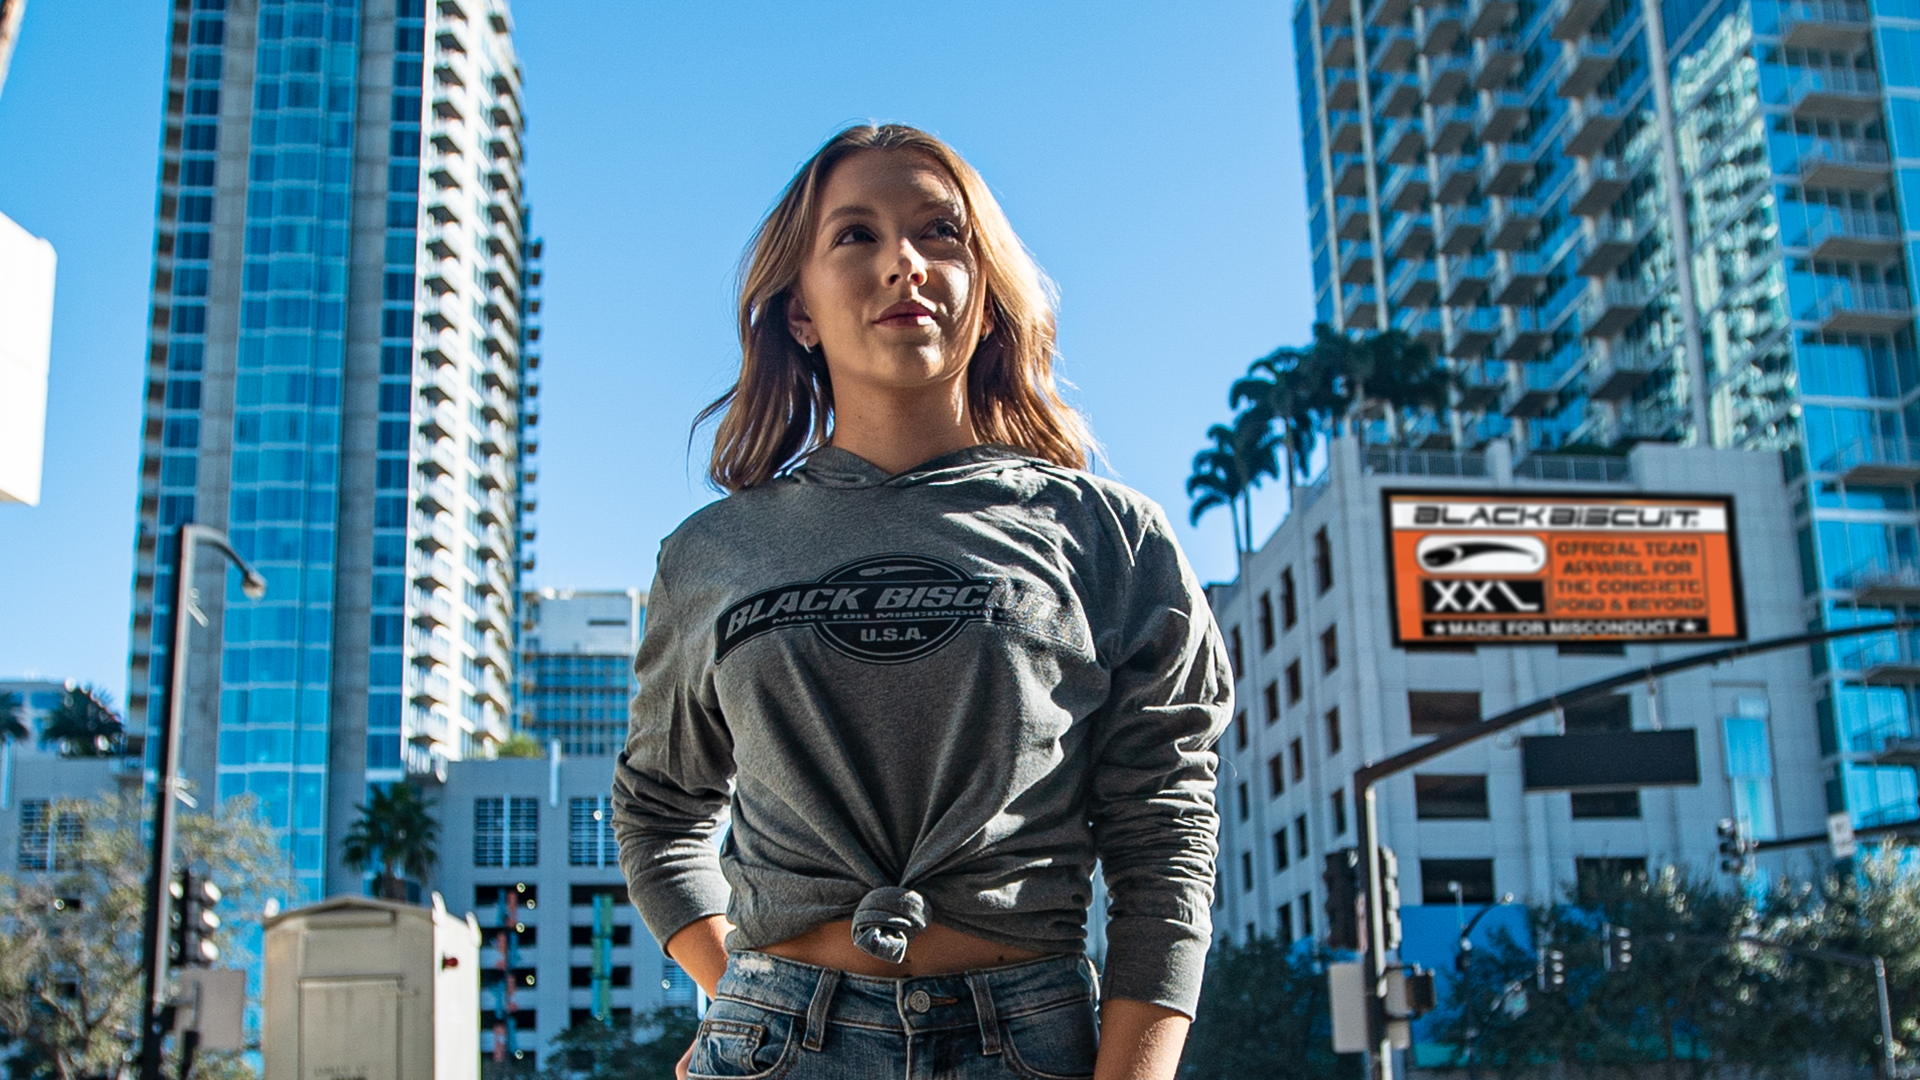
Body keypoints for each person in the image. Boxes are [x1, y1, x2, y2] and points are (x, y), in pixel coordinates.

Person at [611, 123, 1232, 1080]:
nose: (905, 262)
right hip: (779, 1041)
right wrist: (737, 990)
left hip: (1029, 1041)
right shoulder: (712, 553)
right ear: (800, 312)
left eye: (942, 233)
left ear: (986, 294)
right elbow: (657, 809)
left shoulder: (1113, 540)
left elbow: (1165, 832)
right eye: (855, 236)